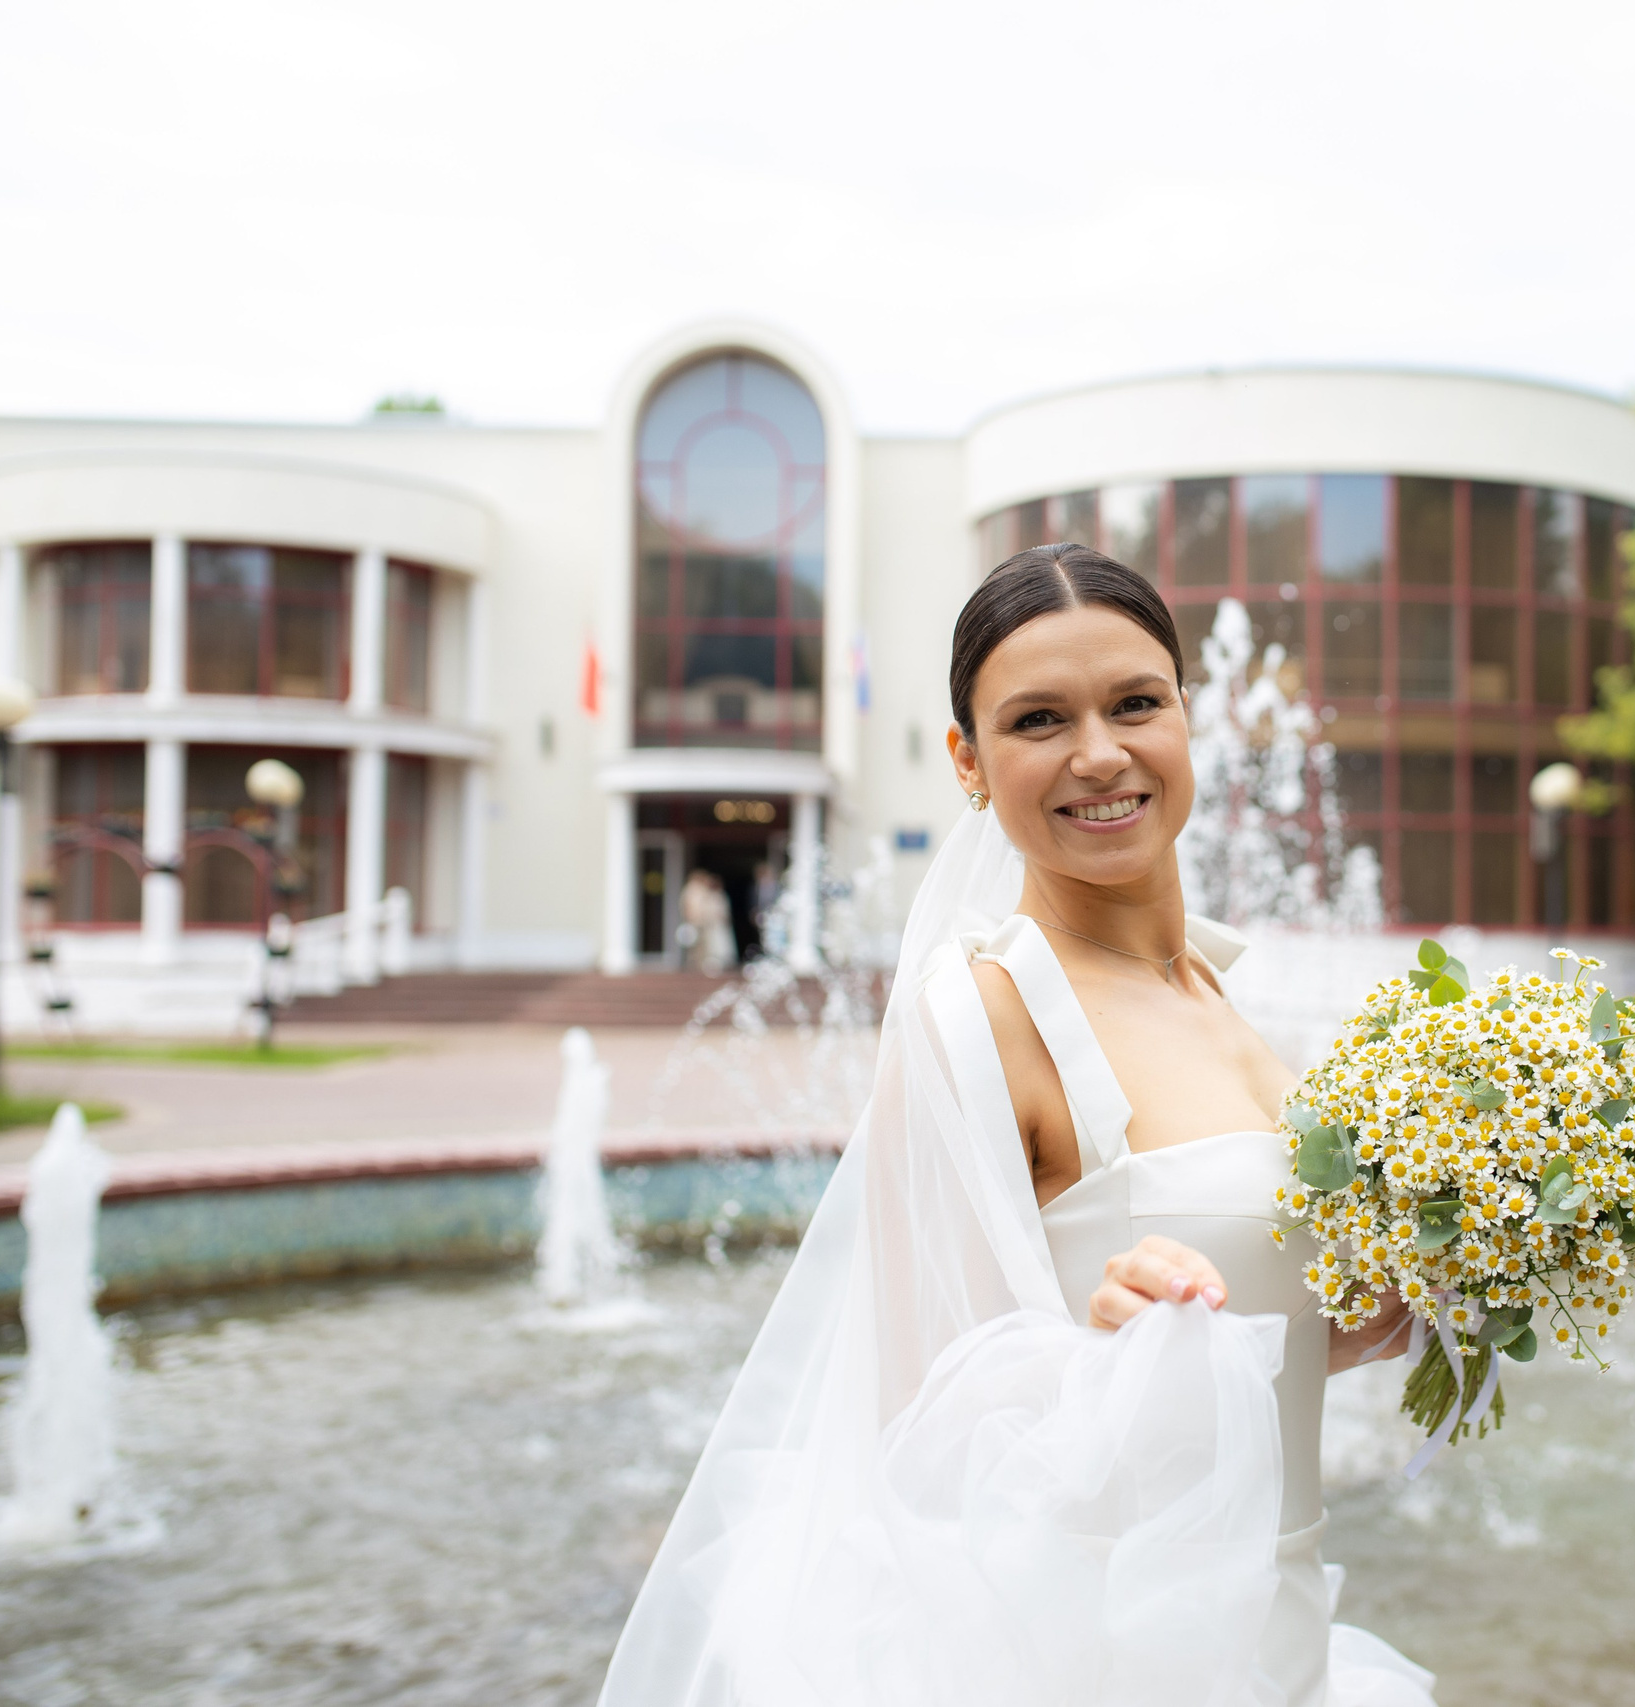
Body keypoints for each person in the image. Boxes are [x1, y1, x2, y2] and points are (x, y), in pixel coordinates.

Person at [599, 545, 1434, 1706]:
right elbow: (922, 1426)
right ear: (968, 762)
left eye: (1136, 703)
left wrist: (1382, 1309)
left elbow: (1253, 1350)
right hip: (1111, 1659)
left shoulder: (1222, 998)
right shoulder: (983, 1012)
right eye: (1040, 719)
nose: (1100, 754)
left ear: (1187, 717)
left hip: (1273, 1629)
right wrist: (1103, 1343)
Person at [679, 866, 735, 975]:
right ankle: (694, 966)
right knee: (695, 945)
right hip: (696, 922)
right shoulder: (691, 890)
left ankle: (702, 965)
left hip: (704, 923)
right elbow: (688, 907)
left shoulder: (707, 892)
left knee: (703, 946)